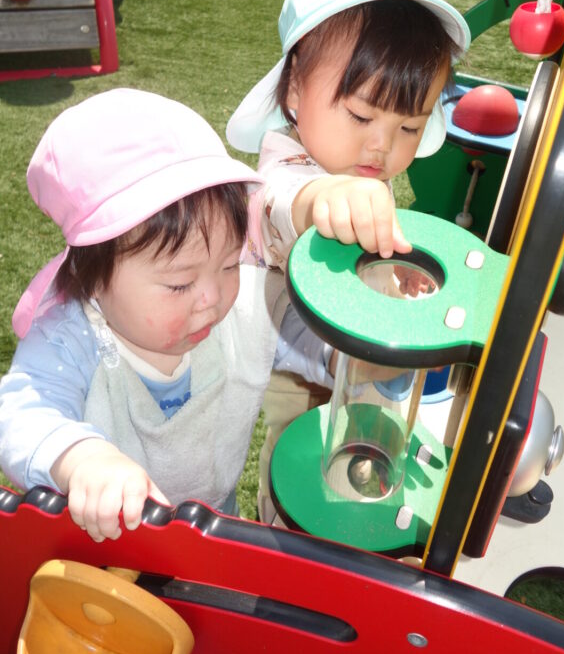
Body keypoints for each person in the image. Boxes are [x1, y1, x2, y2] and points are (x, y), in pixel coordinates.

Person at [0, 89, 334, 542]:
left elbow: (294, 332)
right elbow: (21, 411)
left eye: (230, 264)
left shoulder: (242, 306)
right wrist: (83, 458)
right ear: (92, 277)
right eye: (179, 284)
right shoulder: (71, 337)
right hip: (110, 546)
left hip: (214, 527)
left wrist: (342, 356)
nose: (213, 297)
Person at [226, 0, 470, 520]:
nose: (381, 146)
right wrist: (324, 198)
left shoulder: (358, 169)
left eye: (410, 127)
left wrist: (398, 281)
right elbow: (281, 205)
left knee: (364, 481)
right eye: (361, 116)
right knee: (300, 491)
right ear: (294, 90)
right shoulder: (287, 169)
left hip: (366, 378)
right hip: (302, 374)